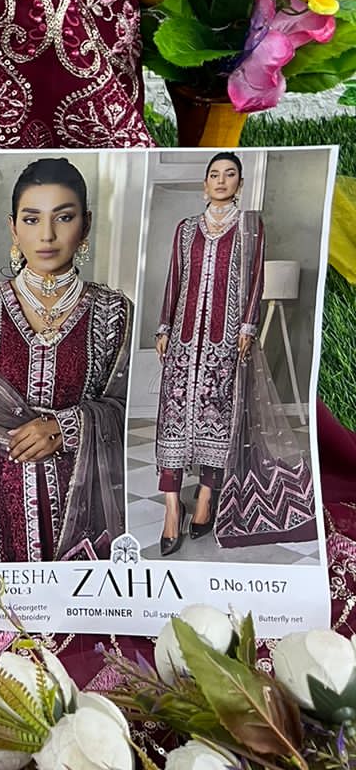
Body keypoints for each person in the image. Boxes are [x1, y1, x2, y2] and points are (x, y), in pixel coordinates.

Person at [0, 158, 131, 562]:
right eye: (31, 219)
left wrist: (66, 426)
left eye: (63, 217)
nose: (47, 235)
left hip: (79, 508)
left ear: (86, 224)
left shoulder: (115, 311)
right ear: (14, 228)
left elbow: (126, 410)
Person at [154, 151, 263, 555]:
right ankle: (172, 507)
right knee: (173, 417)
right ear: (205, 184)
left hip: (225, 340)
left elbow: (256, 279)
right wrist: (164, 326)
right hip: (183, 340)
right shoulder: (186, 229)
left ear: (239, 183)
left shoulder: (250, 228)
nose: (220, 180)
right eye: (214, 174)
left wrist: (247, 326)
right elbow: (174, 279)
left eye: (229, 174)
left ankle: (204, 497)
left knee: (216, 417)